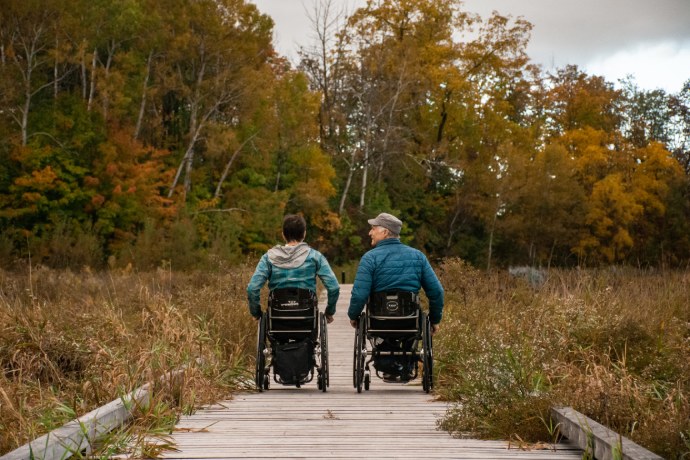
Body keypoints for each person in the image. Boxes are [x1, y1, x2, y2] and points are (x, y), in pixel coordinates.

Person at [348, 212, 444, 381]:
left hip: (379, 320)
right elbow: (436, 292)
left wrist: (354, 316)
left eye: (373, 229)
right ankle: (406, 363)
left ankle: (388, 363)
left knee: (382, 325)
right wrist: (435, 319)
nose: (370, 232)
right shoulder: (418, 256)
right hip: (409, 319)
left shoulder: (369, 258)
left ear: (385, 232)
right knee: (411, 326)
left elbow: (359, 294)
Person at [247, 214, 339, 323]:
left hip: (277, 319)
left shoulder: (268, 258)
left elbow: (252, 288)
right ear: (304, 234)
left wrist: (256, 313)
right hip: (307, 318)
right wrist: (329, 312)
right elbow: (334, 287)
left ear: (283, 235)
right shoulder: (315, 257)